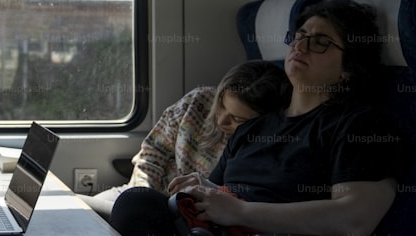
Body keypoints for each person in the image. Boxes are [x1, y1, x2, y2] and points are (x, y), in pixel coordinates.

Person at [103, 0, 403, 236]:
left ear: (348, 68)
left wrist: (241, 212)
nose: (300, 46)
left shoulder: (357, 125)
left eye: (320, 42)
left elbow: (354, 221)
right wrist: (201, 189)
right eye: (299, 35)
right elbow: (219, 197)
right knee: (137, 202)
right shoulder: (255, 127)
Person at [82, 61, 290, 218]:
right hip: (143, 191)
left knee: (81, 214)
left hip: (178, 213)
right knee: (74, 212)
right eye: (221, 105)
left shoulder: (255, 148)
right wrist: (141, 192)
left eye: (237, 119)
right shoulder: (198, 101)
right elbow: (154, 151)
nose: (221, 119)